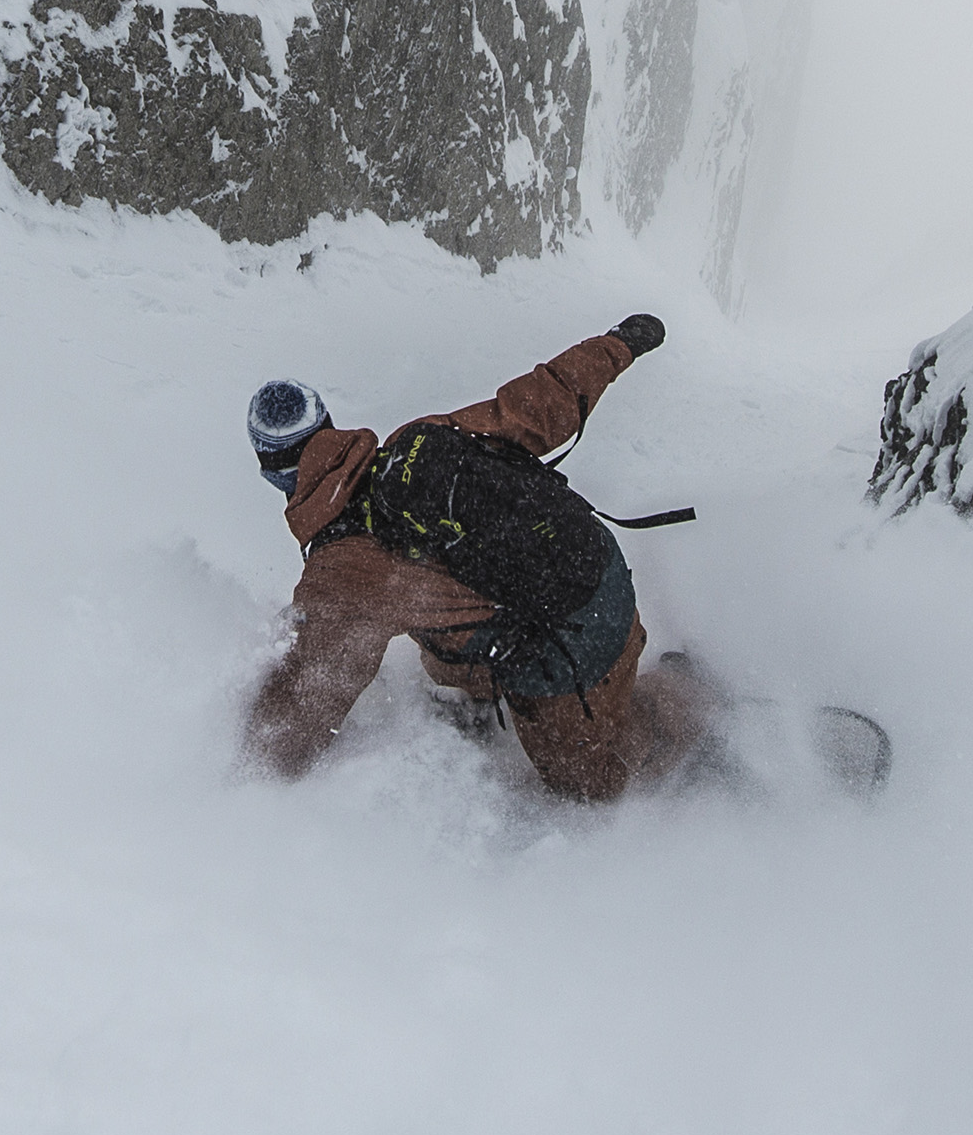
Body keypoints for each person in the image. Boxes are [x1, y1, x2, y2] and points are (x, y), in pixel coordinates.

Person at [238, 315, 708, 803]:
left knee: (593, 783)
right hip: (591, 556)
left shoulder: (342, 572)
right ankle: (475, 696)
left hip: (578, 633)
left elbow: (307, 697)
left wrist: (243, 776)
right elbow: (541, 403)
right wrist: (617, 344)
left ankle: (692, 700)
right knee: (438, 634)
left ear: (274, 474)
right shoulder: (415, 443)